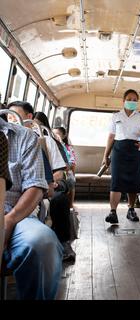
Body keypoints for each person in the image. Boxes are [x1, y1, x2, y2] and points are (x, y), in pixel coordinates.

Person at [0, 116, 63, 299]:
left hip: (15, 212)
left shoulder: (23, 136)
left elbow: (36, 186)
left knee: (42, 243)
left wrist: (9, 220)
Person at [8, 103, 76, 262]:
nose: (12, 119)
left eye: (15, 115)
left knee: (59, 199)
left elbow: (60, 170)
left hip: (53, 180)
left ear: (28, 117)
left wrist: (49, 182)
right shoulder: (7, 139)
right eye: (9, 116)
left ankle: (64, 242)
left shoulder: (44, 139)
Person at [102, 89, 140, 224]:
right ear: (123, 101)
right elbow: (111, 136)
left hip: (136, 149)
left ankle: (131, 210)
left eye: (135, 100)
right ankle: (113, 212)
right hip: (118, 150)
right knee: (116, 182)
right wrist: (105, 155)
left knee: (133, 182)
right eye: (129, 99)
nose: (132, 102)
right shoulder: (116, 116)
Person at [53, 126, 77, 212]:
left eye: (57, 134)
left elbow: (72, 163)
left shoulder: (68, 148)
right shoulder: (51, 146)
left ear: (63, 136)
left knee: (70, 180)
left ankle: (70, 204)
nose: (55, 136)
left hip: (67, 170)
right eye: (53, 134)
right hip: (56, 170)